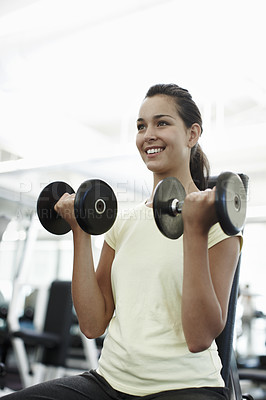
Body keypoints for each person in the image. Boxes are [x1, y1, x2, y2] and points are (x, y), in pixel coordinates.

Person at [3, 84, 242, 399]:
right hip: (108, 383)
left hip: (185, 386)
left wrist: (194, 232)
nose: (148, 134)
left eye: (162, 123)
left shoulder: (217, 224)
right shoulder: (124, 222)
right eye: (141, 126)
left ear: (192, 134)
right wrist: (80, 230)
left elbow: (198, 338)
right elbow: (92, 324)